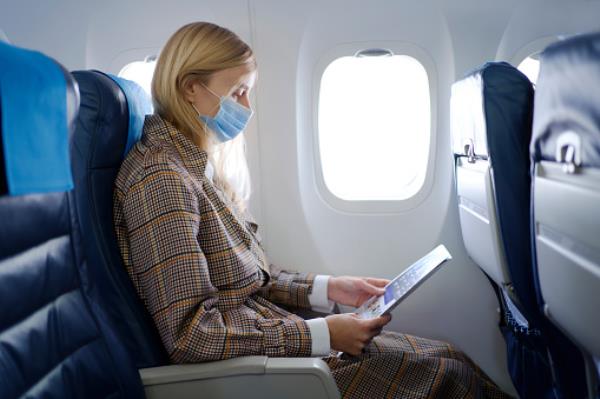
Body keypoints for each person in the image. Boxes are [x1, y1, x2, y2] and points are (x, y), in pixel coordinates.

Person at [113, 22, 511, 398]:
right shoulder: (160, 180)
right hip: (247, 371)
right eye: (237, 92)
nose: (248, 107)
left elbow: (248, 280)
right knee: (448, 377)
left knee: (445, 356)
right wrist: (323, 335)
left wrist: (330, 288)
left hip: (269, 342)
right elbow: (192, 336)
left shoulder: (192, 165)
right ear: (190, 89)